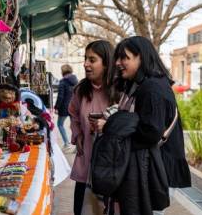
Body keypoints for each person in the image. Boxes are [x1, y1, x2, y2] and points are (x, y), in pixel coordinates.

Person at [99, 36, 191, 215]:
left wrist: (111, 129)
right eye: (118, 58)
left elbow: (150, 132)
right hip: (150, 167)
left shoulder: (152, 88)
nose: (118, 62)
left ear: (141, 57)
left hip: (156, 170)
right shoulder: (142, 85)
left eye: (124, 57)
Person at [68, 40, 118, 215]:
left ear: (106, 63)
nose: (85, 64)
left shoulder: (120, 90)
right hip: (85, 162)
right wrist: (78, 135)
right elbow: (73, 115)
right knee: (80, 210)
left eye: (92, 59)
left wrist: (109, 125)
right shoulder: (80, 90)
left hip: (111, 168)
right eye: (85, 59)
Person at [54, 64, 78, 151]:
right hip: (74, 107)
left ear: (63, 71)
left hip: (64, 107)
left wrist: (56, 107)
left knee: (60, 124)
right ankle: (77, 145)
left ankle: (67, 143)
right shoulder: (76, 81)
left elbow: (60, 96)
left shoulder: (63, 82)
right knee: (74, 126)